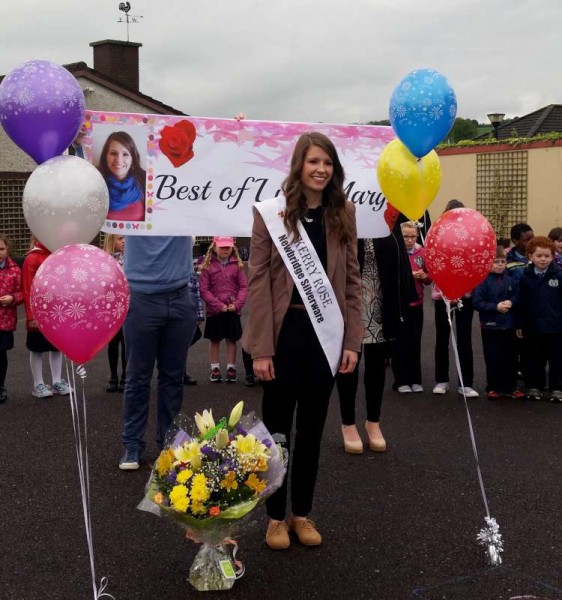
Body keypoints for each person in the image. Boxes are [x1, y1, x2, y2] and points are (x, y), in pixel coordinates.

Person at [244, 132, 363, 550]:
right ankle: (274, 518)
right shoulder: (272, 215)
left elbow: (351, 282)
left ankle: (302, 514)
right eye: (314, 162)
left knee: (312, 429)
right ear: (299, 165)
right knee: (277, 431)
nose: (321, 170)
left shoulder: (342, 212)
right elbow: (257, 284)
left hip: (325, 337)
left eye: (328, 163)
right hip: (284, 335)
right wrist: (260, 348)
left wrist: (352, 341)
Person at [336, 216, 414, 454]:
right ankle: (348, 424)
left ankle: (373, 422)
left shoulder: (387, 216)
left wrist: (403, 302)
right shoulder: (341, 213)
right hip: (348, 302)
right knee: (348, 365)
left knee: (376, 366)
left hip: (380, 303)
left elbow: (400, 258)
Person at [119, 235, 196, 470]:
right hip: (141, 297)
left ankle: (169, 443)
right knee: (137, 377)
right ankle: (132, 444)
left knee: (173, 377)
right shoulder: (134, 200)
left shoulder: (183, 202)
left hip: (180, 294)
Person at [432, 200, 479, 398]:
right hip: (442, 298)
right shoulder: (437, 235)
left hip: (465, 298)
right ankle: (442, 380)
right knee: (442, 340)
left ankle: (465, 383)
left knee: (464, 340)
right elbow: (432, 264)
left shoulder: (471, 238)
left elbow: (475, 266)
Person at [22, 237, 71, 398]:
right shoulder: (32, 258)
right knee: (36, 348)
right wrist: (31, 315)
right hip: (38, 312)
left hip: (55, 312)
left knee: (56, 346)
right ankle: (38, 384)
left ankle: (57, 381)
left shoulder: (59, 255)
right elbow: (27, 288)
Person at [473, 246, 524, 400]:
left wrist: (511, 302)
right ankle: (493, 387)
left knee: (510, 357)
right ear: (488, 263)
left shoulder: (511, 280)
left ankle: (510, 387)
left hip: (509, 326)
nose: (500, 265)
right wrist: (495, 307)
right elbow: (478, 302)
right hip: (490, 326)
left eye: (502, 261)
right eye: (496, 262)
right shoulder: (483, 282)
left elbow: (518, 298)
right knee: (493, 357)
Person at [515, 236, 562, 402]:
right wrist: (520, 323)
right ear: (530, 256)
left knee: (557, 360)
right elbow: (521, 302)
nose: (543, 259)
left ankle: (557, 388)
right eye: (539, 256)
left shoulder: (559, 275)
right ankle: (535, 386)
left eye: (547, 256)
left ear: (553, 257)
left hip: (556, 327)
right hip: (533, 327)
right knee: (534, 359)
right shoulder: (525, 277)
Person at [199, 236, 247, 383]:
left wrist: (237, 304)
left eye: (228, 247)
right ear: (214, 247)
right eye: (222, 247)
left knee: (232, 339)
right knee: (214, 340)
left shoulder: (237, 265)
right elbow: (204, 290)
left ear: (232, 247)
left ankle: (231, 368)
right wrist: (218, 305)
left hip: (232, 310)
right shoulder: (207, 266)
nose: (225, 249)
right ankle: (215, 368)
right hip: (215, 311)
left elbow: (243, 287)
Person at [391, 221, 431, 393]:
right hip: (399, 304)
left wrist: (423, 276)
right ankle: (401, 381)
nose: (408, 240)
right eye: (405, 236)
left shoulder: (422, 252)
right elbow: (390, 276)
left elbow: (430, 278)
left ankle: (415, 379)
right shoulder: (395, 251)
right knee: (399, 343)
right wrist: (408, 275)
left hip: (417, 303)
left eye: (412, 236)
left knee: (414, 342)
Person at [98, 131, 146, 222]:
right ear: (105, 156)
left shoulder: (145, 182)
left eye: (125, 154)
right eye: (113, 153)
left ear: (133, 158)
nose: (119, 160)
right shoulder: (96, 183)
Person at [0, 234, 23, 403]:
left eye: (1, 249)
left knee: (1, 355)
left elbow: (22, 292)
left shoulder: (15, 269)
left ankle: (1, 386)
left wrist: (13, 299)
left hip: (5, 320)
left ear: (7, 249)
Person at [103, 234, 127, 392]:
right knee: (113, 343)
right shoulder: (105, 260)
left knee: (127, 343)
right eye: (119, 238)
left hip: (127, 306)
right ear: (111, 241)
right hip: (111, 307)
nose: (124, 241)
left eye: (125, 238)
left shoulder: (131, 258)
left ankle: (126, 375)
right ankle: (113, 375)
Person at [183, 258, 205, 386]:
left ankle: (181, 371)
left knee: (186, 342)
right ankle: (174, 371)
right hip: (175, 310)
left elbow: (196, 291)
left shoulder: (190, 268)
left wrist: (199, 315)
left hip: (189, 311)